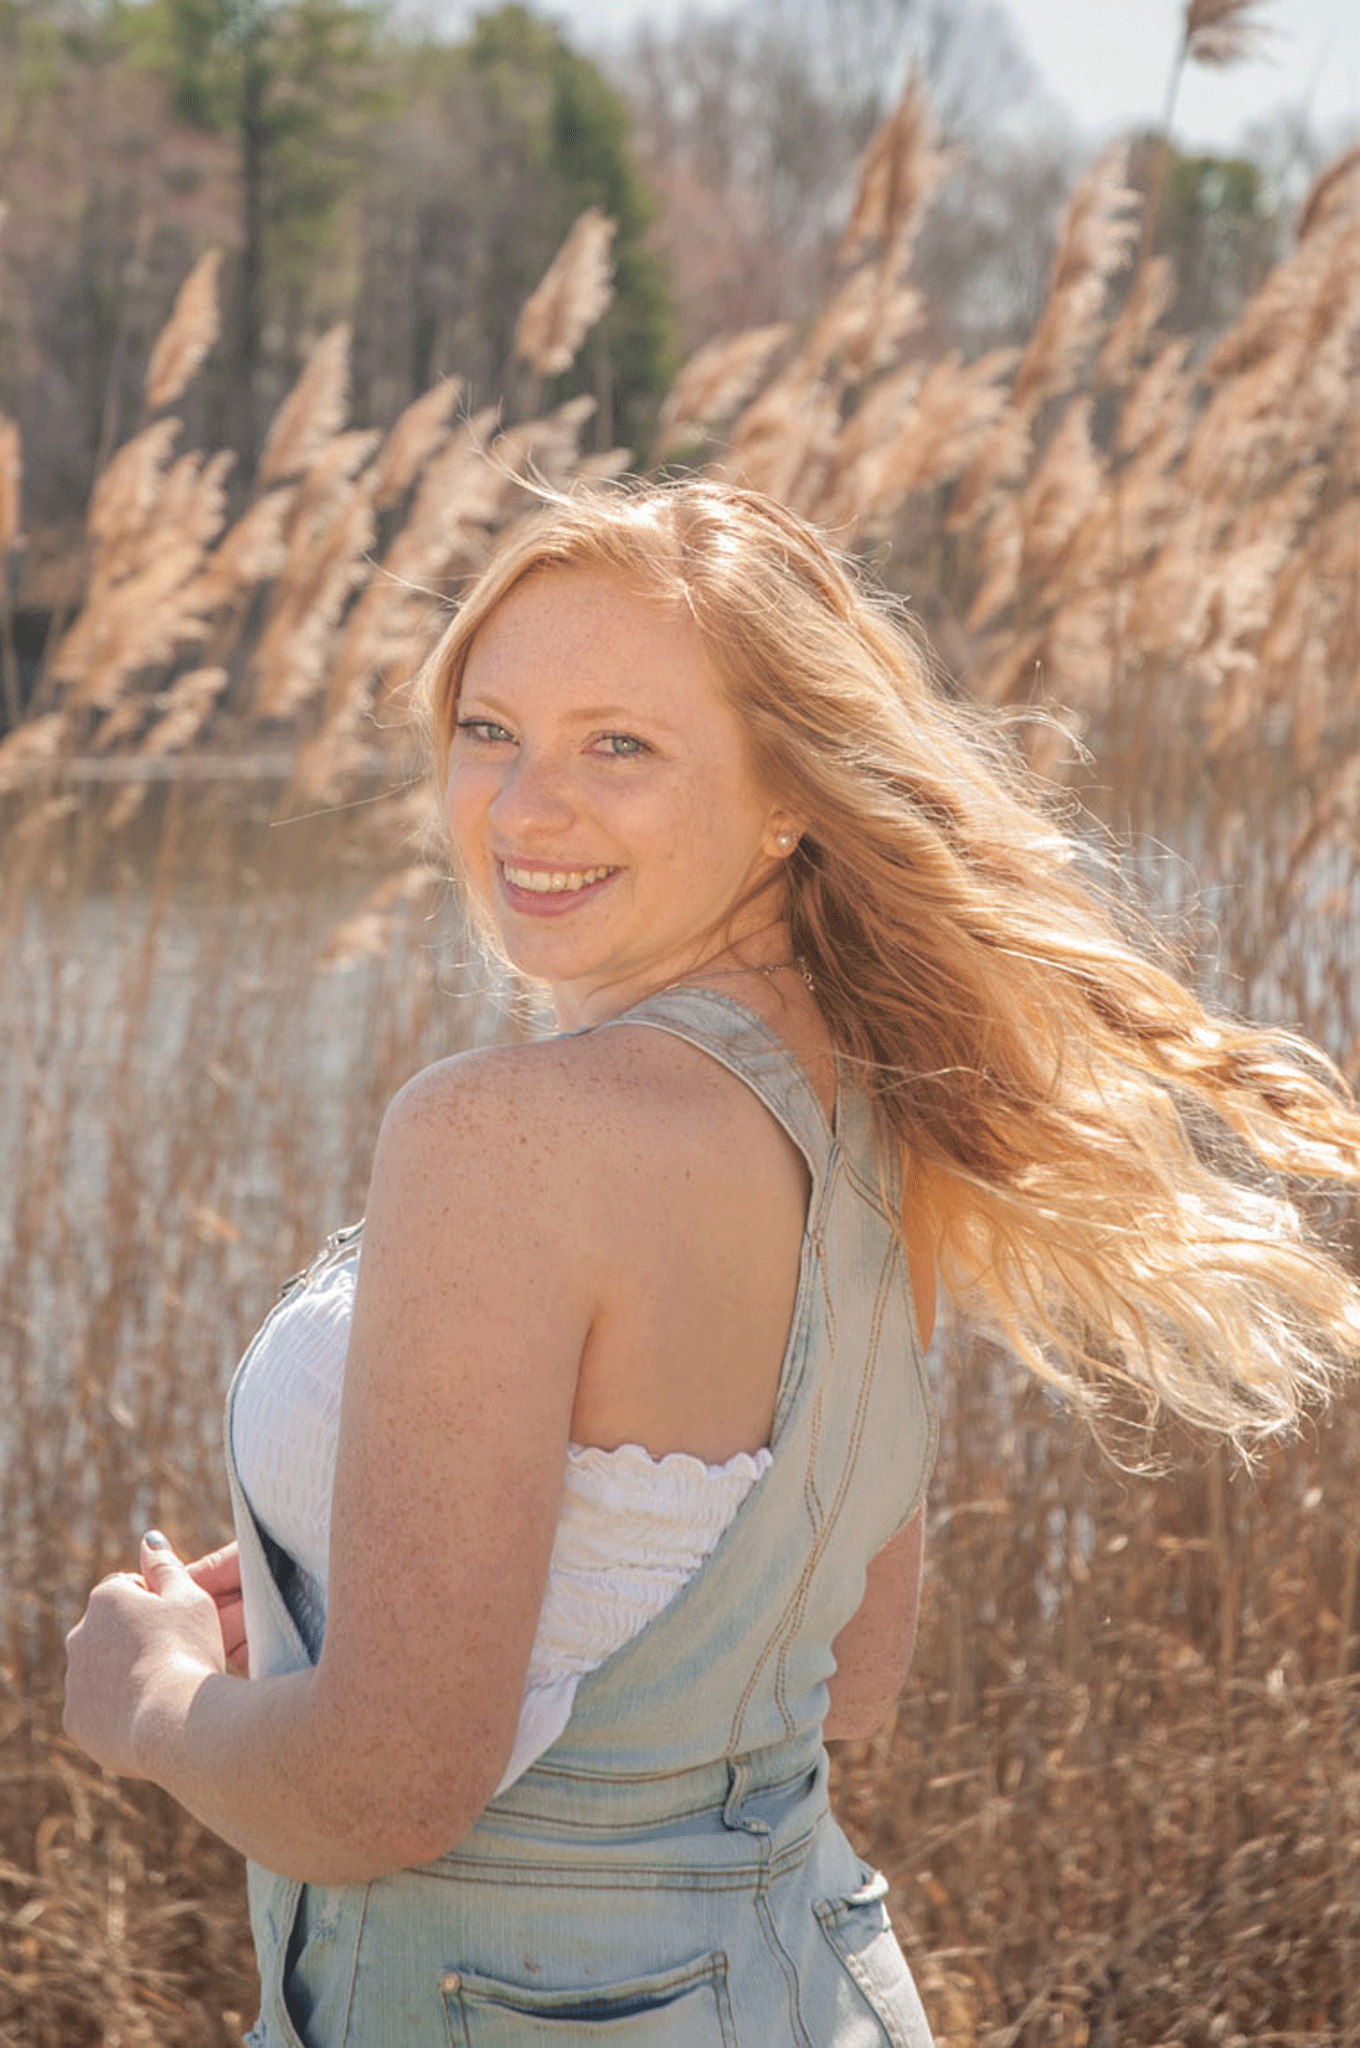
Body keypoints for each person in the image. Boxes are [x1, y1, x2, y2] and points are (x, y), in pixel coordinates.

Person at [64, 479, 1360, 2046]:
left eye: (620, 744)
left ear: (787, 791)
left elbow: (385, 1792)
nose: (524, 808)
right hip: (811, 1985)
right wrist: (385, 1555)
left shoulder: (502, 1136)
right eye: (490, 730)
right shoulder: (879, 1104)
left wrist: (154, 1700)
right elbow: (843, 1674)